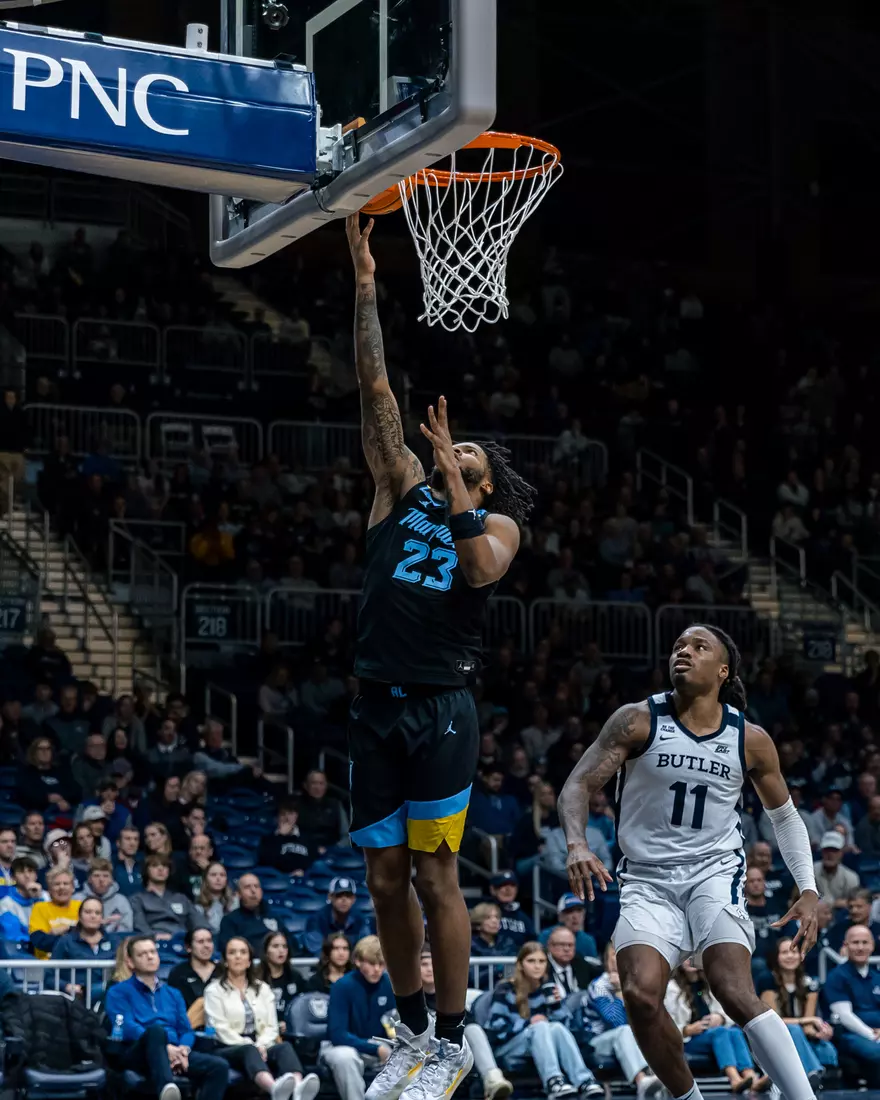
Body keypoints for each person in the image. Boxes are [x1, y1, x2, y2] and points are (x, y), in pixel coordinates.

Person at [344, 213, 537, 1100]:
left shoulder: (498, 524)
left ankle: (455, 1042)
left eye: (466, 455)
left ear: (483, 480)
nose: (447, 452)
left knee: (435, 874)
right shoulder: (396, 487)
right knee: (385, 879)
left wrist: (459, 484)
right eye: (449, 446)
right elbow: (376, 386)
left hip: (442, 708)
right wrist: (365, 282)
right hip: (374, 704)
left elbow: (480, 569)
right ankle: (415, 1030)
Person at [559, 624, 820, 1100]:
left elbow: (784, 817)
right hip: (646, 879)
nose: (684, 651)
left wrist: (808, 888)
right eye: (679, 645)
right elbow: (578, 784)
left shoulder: (749, 738)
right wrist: (576, 844)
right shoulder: (637, 720)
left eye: (700, 647)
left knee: (732, 989)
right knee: (638, 995)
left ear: (724, 671)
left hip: (714, 873)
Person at [105, 935, 230, 1100]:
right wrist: (165, 1048)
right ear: (130, 962)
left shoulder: (173, 993)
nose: (150, 957)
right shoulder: (118, 992)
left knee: (219, 1067)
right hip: (138, 1052)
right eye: (142, 954)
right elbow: (126, 1026)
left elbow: (186, 1030)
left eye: (152, 952)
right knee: (156, 1031)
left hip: (175, 1051)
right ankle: (167, 1090)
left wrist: (183, 1050)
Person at [204, 936, 320, 1100]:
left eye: (243, 952)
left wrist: (261, 1044)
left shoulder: (263, 988)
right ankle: (274, 1089)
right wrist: (252, 1045)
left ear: (249, 961)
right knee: (249, 1050)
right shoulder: (214, 991)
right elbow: (219, 1028)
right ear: (225, 961)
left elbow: (271, 1026)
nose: (238, 956)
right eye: (232, 953)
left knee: (284, 1047)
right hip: (226, 1046)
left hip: (260, 1044)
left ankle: (299, 1089)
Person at [483, 941, 603, 1099]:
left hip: (539, 1042)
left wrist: (557, 1006)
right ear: (520, 965)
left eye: (541, 961)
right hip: (508, 1046)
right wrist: (529, 1023)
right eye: (531, 961)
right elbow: (496, 1028)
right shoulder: (505, 989)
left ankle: (584, 1081)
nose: (537, 966)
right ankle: (553, 1082)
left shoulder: (547, 989)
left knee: (556, 1027)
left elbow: (568, 1028)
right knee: (540, 1027)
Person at [419, 947, 513, 1100]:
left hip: (454, 1047)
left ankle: (492, 1078)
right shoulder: (411, 997)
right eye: (424, 964)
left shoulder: (451, 995)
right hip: (425, 1048)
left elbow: (468, 1022)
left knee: (472, 1029)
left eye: (433, 964)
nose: (430, 969)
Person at [664, 958, 766, 1092]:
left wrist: (720, 1018)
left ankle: (751, 1076)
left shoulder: (709, 983)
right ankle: (734, 1079)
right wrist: (687, 1030)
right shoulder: (671, 988)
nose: (690, 960)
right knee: (720, 1032)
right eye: (687, 957)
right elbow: (665, 1024)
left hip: (711, 1036)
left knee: (735, 1032)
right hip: (687, 1041)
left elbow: (727, 1013)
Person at [578, 943, 660, 1100]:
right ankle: (641, 1081)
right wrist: (619, 992)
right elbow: (616, 1021)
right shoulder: (599, 987)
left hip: (630, 1041)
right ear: (607, 960)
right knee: (624, 1031)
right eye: (615, 955)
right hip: (598, 1043)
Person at [321, 935, 397, 1100]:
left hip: (378, 1045)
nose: (377, 969)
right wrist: (376, 1049)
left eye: (381, 964)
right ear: (357, 961)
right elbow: (338, 1035)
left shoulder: (389, 984)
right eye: (371, 963)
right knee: (345, 1057)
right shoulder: (342, 986)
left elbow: (394, 1026)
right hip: (340, 1046)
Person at [759, 937, 837, 1085]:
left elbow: (808, 1026)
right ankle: (812, 1074)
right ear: (776, 957)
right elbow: (773, 1020)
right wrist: (806, 1021)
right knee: (794, 1030)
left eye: (794, 952)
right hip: (774, 1034)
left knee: (826, 1048)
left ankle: (822, 1082)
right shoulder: (767, 980)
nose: (790, 956)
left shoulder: (809, 983)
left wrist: (819, 1033)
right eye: (784, 952)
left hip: (799, 1034)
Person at [821, 924, 880, 1084]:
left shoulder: (877, 976)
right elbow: (845, 1016)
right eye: (855, 942)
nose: (860, 947)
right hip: (851, 1035)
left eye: (865, 942)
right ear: (845, 945)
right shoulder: (837, 976)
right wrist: (873, 1036)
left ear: (872, 946)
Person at [49, 895, 117, 999]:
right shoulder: (66, 941)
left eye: (97, 913)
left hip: (107, 997)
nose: (93, 916)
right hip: (76, 996)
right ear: (79, 916)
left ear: (102, 918)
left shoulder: (113, 941)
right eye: (88, 912)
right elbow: (49, 975)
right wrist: (66, 986)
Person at [131, 854, 209, 940]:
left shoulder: (181, 898)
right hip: (155, 941)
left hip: (182, 940)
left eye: (164, 866)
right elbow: (140, 926)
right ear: (146, 871)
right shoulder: (138, 899)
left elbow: (200, 923)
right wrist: (154, 937)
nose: (160, 869)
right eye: (155, 865)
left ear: (169, 871)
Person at [218, 872, 285, 954]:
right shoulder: (229, 921)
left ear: (261, 891)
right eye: (247, 887)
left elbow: (290, 945)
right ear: (238, 894)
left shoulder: (274, 916)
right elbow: (228, 951)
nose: (253, 891)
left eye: (256, 886)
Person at [302, 876, 372, 955]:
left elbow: (366, 947)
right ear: (330, 897)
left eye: (348, 895)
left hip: (353, 961)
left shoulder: (360, 919)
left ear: (353, 899)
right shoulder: (316, 920)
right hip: (325, 962)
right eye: (339, 895)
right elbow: (316, 950)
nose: (344, 900)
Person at [258, 931, 310, 1032]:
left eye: (284, 946)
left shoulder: (295, 977)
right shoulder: (257, 978)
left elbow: (303, 1007)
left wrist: (291, 1023)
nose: (281, 950)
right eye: (275, 946)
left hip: (292, 1031)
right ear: (266, 951)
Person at [30, 866, 81, 958]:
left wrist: (66, 928)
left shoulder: (81, 907)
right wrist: (74, 933)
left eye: (66, 883)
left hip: (78, 963)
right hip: (47, 963)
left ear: (73, 888)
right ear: (49, 890)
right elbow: (40, 941)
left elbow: (89, 938)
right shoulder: (39, 908)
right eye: (57, 884)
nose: (61, 887)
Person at [257, 799, 314, 875]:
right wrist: (280, 836)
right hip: (277, 879)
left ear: (296, 816)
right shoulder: (268, 839)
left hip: (303, 878)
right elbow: (267, 862)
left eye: (290, 813)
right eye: (283, 814)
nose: (287, 818)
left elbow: (312, 863)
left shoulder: (308, 839)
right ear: (277, 818)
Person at [168, 926, 218, 1013]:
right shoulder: (178, 973)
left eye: (209, 941)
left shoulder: (223, 971)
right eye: (200, 942)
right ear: (188, 947)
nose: (206, 945)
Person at [79, 856, 134, 933]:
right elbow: (74, 928)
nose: (101, 880)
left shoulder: (121, 901)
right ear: (89, 879)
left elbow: (127, 930)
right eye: (96, 876)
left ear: (111, 880)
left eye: (105, 876)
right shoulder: (77, 899)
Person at [538, 896, 599, 961]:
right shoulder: (546, 936)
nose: (575, 916)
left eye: (579, 910)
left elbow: (593, 965)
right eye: (570, 911)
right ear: (560, 916)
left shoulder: (588, 941)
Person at [0, 855, 46, 940]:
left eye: (30, 871)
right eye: (21, 872)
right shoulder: (5, 904)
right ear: (13, 877)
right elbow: (14, 937)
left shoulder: (46, 897)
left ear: (36, 875)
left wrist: (38, 900)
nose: (27, 875)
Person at [545, 927, 601, 995]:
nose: (566, 949)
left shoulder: (580, 962)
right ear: (550, 946)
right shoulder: (543, 965)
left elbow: (601, 974)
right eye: (562, 944)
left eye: (570, 945)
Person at [487, 871, 536, 947]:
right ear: (493, 889)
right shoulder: (484, 912)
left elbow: (532, 944)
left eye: (512, 885)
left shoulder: (524, 918)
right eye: (503, 885)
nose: (508, 889)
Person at [813, 831, 860, 906]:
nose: (830, 854)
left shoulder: (851, 878)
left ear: (841, 853)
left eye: (834, 851)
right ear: (822, 852)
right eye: (827, 850)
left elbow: (854, 903)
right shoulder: (811, 872)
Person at [196, 861, 238, 932]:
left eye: (222, 875)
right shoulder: (198, 904)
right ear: (205, 879)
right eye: (213, 875)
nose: (218, 878)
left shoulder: (234, 902)